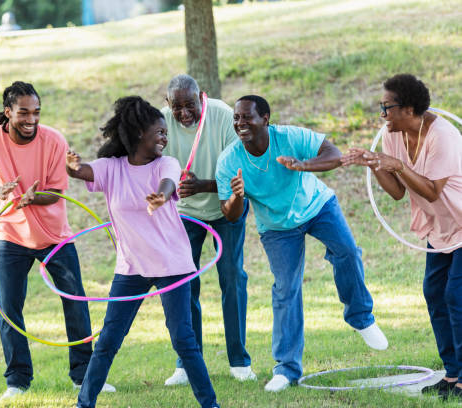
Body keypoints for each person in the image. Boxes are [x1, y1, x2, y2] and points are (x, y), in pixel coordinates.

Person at [215, 95, 388, 392]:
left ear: (266, 118)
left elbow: (334, 155)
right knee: (286, 288)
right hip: (277, 227)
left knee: (347, 251)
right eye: (237, 119)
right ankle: (286, 369)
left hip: (318, 207)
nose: (241, 123)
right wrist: (237, 197)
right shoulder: (230, 160)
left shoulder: (290, 136)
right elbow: (229, 215)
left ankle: (360, 316)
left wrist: (304, 165)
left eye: (247, 117)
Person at [67, 96, 220, 408]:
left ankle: (210, 404)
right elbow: (83, 171)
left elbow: (168, 182)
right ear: (139, 133)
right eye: (159, 132)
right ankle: (84, 404)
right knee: (109, 339)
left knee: (183, 340)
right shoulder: (112, 169)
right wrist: (72, 167)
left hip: (172, 265)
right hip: (132, 267)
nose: (165, 137)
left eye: (166, 133)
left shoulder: (167, 163)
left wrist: (161, 198)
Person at [0, 81, 114, 398]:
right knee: (8, 308)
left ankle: (84, 375)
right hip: (11, 234)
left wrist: (33, 197)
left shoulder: (54, 140)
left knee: (75, 302)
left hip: (55, 235)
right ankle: (17, 381)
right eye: (23, 112)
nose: (31, 119)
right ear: (8, 113)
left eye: (36, 112)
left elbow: (58, 193)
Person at [341, 74, 462, 399]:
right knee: (434, 293)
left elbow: (433, 191)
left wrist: (396, 165)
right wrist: (374, 164)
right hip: (439, 228)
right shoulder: (394, 135)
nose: (382, 115)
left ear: (408, 108)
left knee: (456, 295)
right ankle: (452, 376)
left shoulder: (443, 136)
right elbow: (396, 192)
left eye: (387, 107)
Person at [161, 74, 254, 385]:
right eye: (177, 107)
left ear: (202, 97)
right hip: (185, 213)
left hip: (226, 206)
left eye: (190, 104)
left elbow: (242, 175)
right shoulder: (160, 122)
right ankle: (187, 362)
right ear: (167, 103)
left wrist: (202, 186)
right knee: (184, 284)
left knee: (232, 277)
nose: (184, 112)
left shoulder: (224, 116)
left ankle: (239, 360)